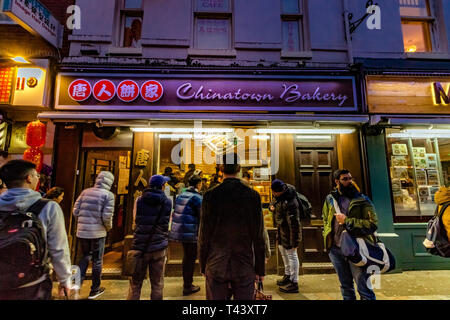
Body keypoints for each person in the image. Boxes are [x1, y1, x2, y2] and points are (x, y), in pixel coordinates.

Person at [0, 160, 72, 300]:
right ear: (28, 178)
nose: (38, 178)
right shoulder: (48, 207)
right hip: (34, 283)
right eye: (36, 175)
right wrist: (65, 279)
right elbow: (58, 248)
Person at [198, 153, 265, 300]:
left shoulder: (210, 195)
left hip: (216, 263)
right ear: (239, 168)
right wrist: (260, 269)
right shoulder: (252, 195)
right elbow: (258, 235)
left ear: (221, 169)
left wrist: (203, 264)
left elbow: (204, 234)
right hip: (244, 264)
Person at [322, 169, 378, 300]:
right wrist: (326, 237)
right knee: (346, 287)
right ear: (337, 181)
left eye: (350, 178)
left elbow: (373, 224)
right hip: (336, 249)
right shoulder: (330, 199)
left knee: (364, 287)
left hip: (356, 248)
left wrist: (347, 220)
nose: (349, 181)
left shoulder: (362, 200)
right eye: (345, 179)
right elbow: (325, 218)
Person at [127, 175, 172, 300]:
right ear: (162, 186)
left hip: (140, 246)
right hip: (159, 246)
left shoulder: (139, 200)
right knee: (157, 284)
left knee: (135, 284)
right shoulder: (167, 202)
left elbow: (135, 220)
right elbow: (167, 223)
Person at [73, 171, 115, 299]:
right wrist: (107, 228)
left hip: (82, 232)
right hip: (98, 232)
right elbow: (107, 217)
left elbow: (75, 211)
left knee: (84, 257)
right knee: (97, 260)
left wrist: (82, 224)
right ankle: (94, 289)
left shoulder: (85, 192)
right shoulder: (108, 195)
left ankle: (76, 286)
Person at [169, 174, 203, 296]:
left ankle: (187, 283)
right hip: (191, 232)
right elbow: (202, 216)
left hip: (181, 231)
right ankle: (188, 286)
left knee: (187, 258)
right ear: (198, 184)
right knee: (190, 259)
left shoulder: (181, 195)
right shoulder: (197, 197)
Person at [270, 179, 301, 293]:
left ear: (280, 191)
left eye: (274, 192)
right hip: (281, 230)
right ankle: (288, 275)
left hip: (289, 233)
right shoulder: (279, 196)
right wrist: (271, 206)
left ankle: (294, 282)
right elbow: (274, 201)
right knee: (284, 253)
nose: (273, 194)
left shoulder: (291, 201)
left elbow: (294, 223)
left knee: (292, 255)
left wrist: (295, 241)